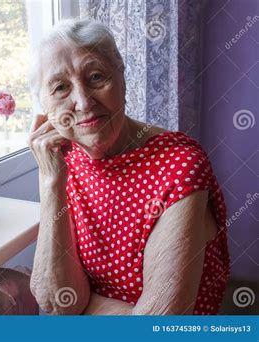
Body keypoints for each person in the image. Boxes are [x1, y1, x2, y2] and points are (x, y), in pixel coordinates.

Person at [27, 18, 230, 315]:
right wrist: (50, 181)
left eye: (96, 77)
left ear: (122, 77)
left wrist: (87, 308)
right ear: (44, 106)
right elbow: (58, 302)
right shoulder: (60, 158)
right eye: (60, 87)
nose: (83, 102)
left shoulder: (179, 165)